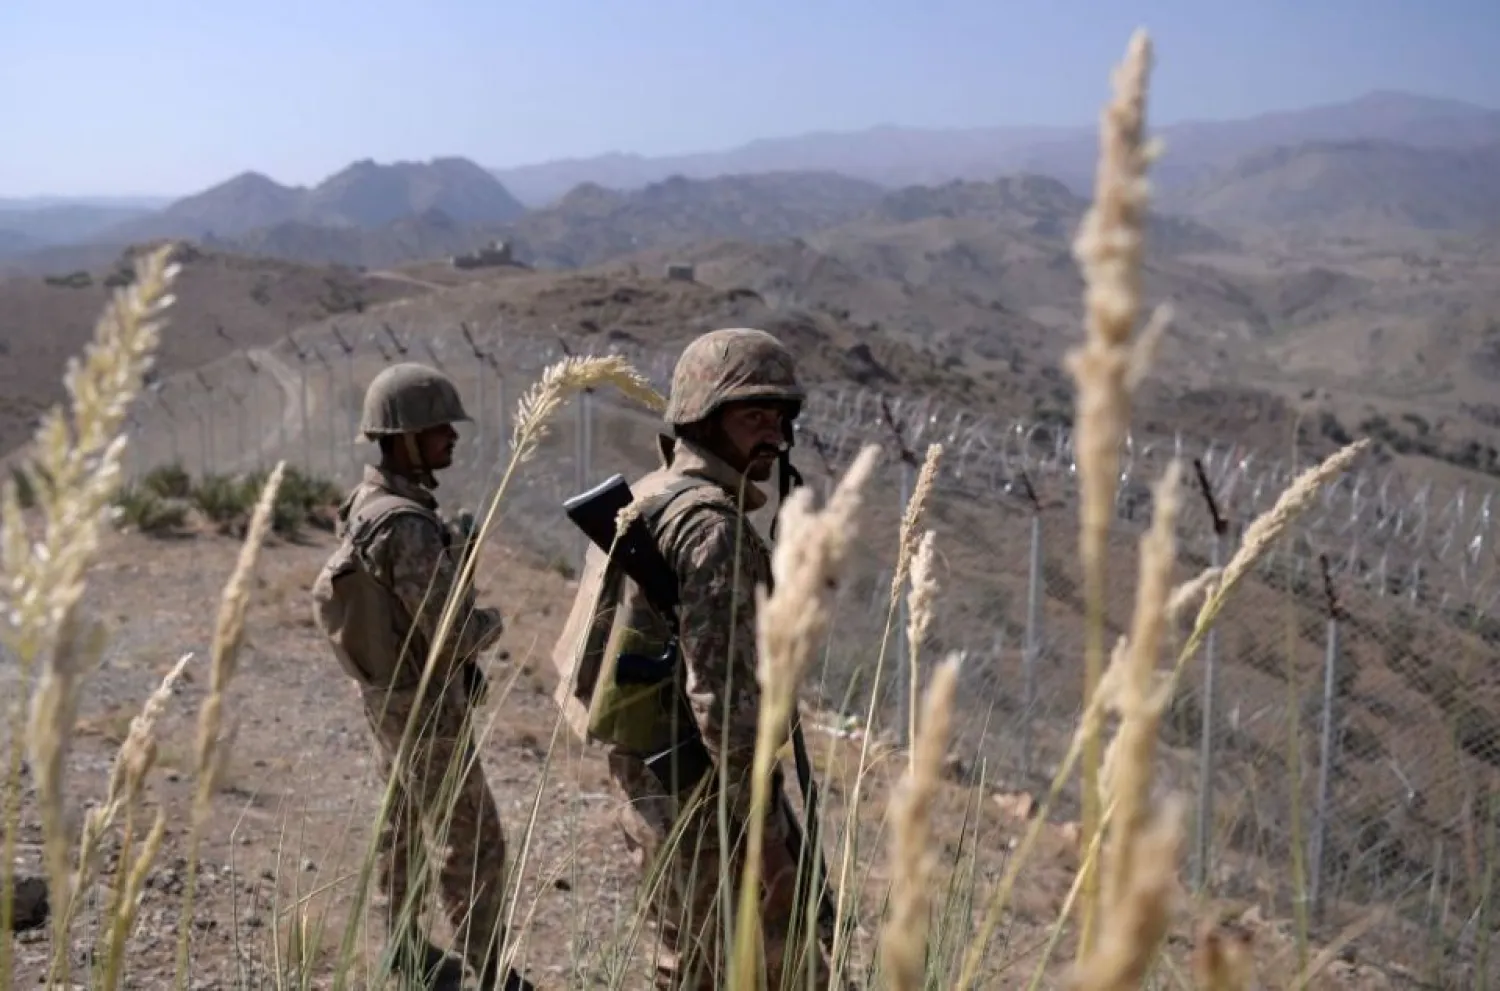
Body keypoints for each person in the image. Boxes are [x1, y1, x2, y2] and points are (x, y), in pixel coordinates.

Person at [551, 328, 835, 990]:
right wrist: (765, 835)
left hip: (660, 778)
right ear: (705, 417)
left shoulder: (653, 497)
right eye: (752, 417)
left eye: (778, 418)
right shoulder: (710, 525)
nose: (772, 435)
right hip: (704, 792)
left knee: (693, 963)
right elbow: (721, 698)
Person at [311, 362, 536, 991]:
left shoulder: (366, 502)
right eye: (439, 429)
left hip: (388, 697)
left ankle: (405, 951)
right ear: (403, 438)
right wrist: (492, 620)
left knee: (402, 825)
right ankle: (489, 970)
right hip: (422, 706)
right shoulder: (405, 525)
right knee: (476, 840)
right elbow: (453, 633)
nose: (452, 439)